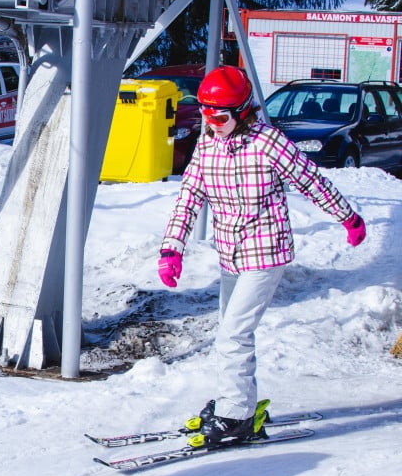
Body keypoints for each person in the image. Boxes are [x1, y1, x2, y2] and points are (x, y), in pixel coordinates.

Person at [157, 66, 366, 448]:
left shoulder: (269, 143)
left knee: (233, 334)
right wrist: (172, 248)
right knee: (230, 332)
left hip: (266, 251)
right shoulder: (207, 145)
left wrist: (347, 217)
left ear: (243, 111)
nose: (210, 122)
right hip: (230, 254)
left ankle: (236, 416)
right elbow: (188, 199)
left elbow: (312, 181)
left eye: (219, 116)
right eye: (204, 113)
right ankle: (237, 400)